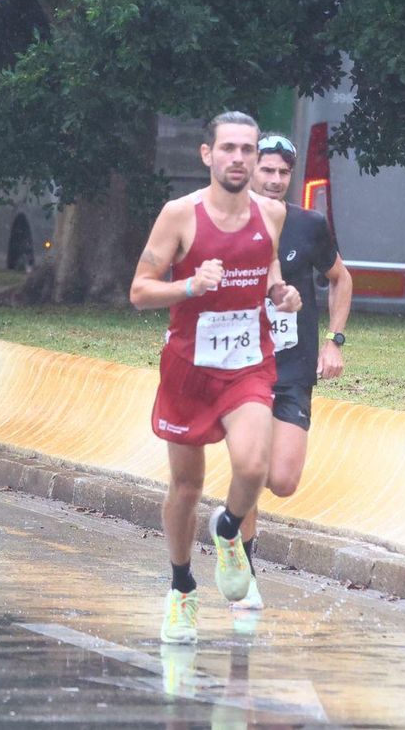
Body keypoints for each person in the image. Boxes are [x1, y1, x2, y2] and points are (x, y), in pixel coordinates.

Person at [130, 111, 301, 645]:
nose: (239, 158)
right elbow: (139, 291)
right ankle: (181, 587)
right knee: (187, 486)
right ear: (208, 154)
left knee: (252, 465)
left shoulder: (271, 214)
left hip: (248, 365)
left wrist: (282, 293)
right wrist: (189, 287)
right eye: (228, 148)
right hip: (189, 368)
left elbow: (268, 271)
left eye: (248, 149)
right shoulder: (179, 215)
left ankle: (228, 528)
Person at [235, 134, 353, 609]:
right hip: (243, 369)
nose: (275, 179)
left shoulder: (308, 225)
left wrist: (334, 341)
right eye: (267, 170)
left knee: (282, 481)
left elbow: (341, 278)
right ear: (250, 170)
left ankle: (233, 516)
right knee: (251, 466)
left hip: (293, 368)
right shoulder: (226, 222)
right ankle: (243, 570)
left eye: (283, 172)